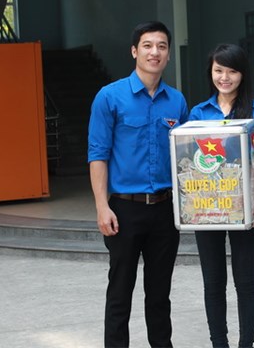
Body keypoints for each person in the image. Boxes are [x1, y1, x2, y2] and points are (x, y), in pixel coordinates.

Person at [88, 21, 189, 348]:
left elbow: (186, 157)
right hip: (124, 210)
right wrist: (102, 207)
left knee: (159, 295)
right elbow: (98, 155)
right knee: (120, 293)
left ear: (168, 54)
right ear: (134, 51)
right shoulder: (109, 97)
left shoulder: (177, 102)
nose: (154, 52)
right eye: (147, 45)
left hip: (164, 210)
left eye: (161, 46)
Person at [189, 43, 254, 348]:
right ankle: (219, 344)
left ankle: (246, 344)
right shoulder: (198, 112)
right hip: (207, 208)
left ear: (243, 74)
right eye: (219, 70)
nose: (224, 78)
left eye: (232, 71)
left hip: (244, 205)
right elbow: (188, 157)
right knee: (213, 282)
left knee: (246, 281)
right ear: (210, 72)